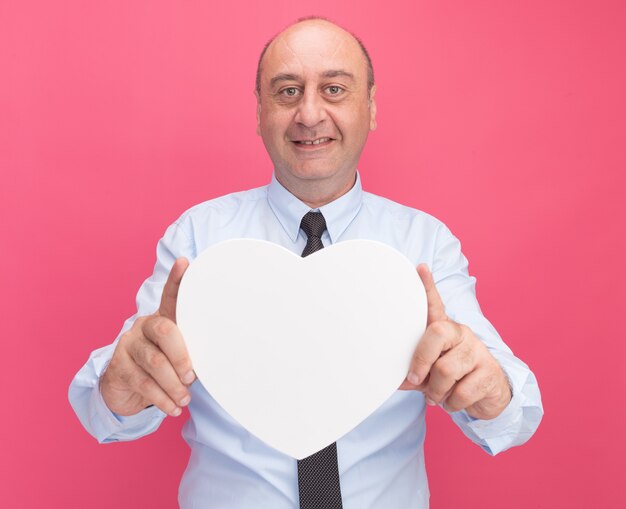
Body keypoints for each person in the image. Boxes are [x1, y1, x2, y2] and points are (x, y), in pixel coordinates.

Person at [69, 17, 543, 508]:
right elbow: (105, 414)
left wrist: (487, 386)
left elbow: (517, 416)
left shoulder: (423, 245)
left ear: (371, 107)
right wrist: (125, 380)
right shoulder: (197, 239)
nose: (310, 114)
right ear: (260, 113)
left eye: (334, 89)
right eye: (288, 91)